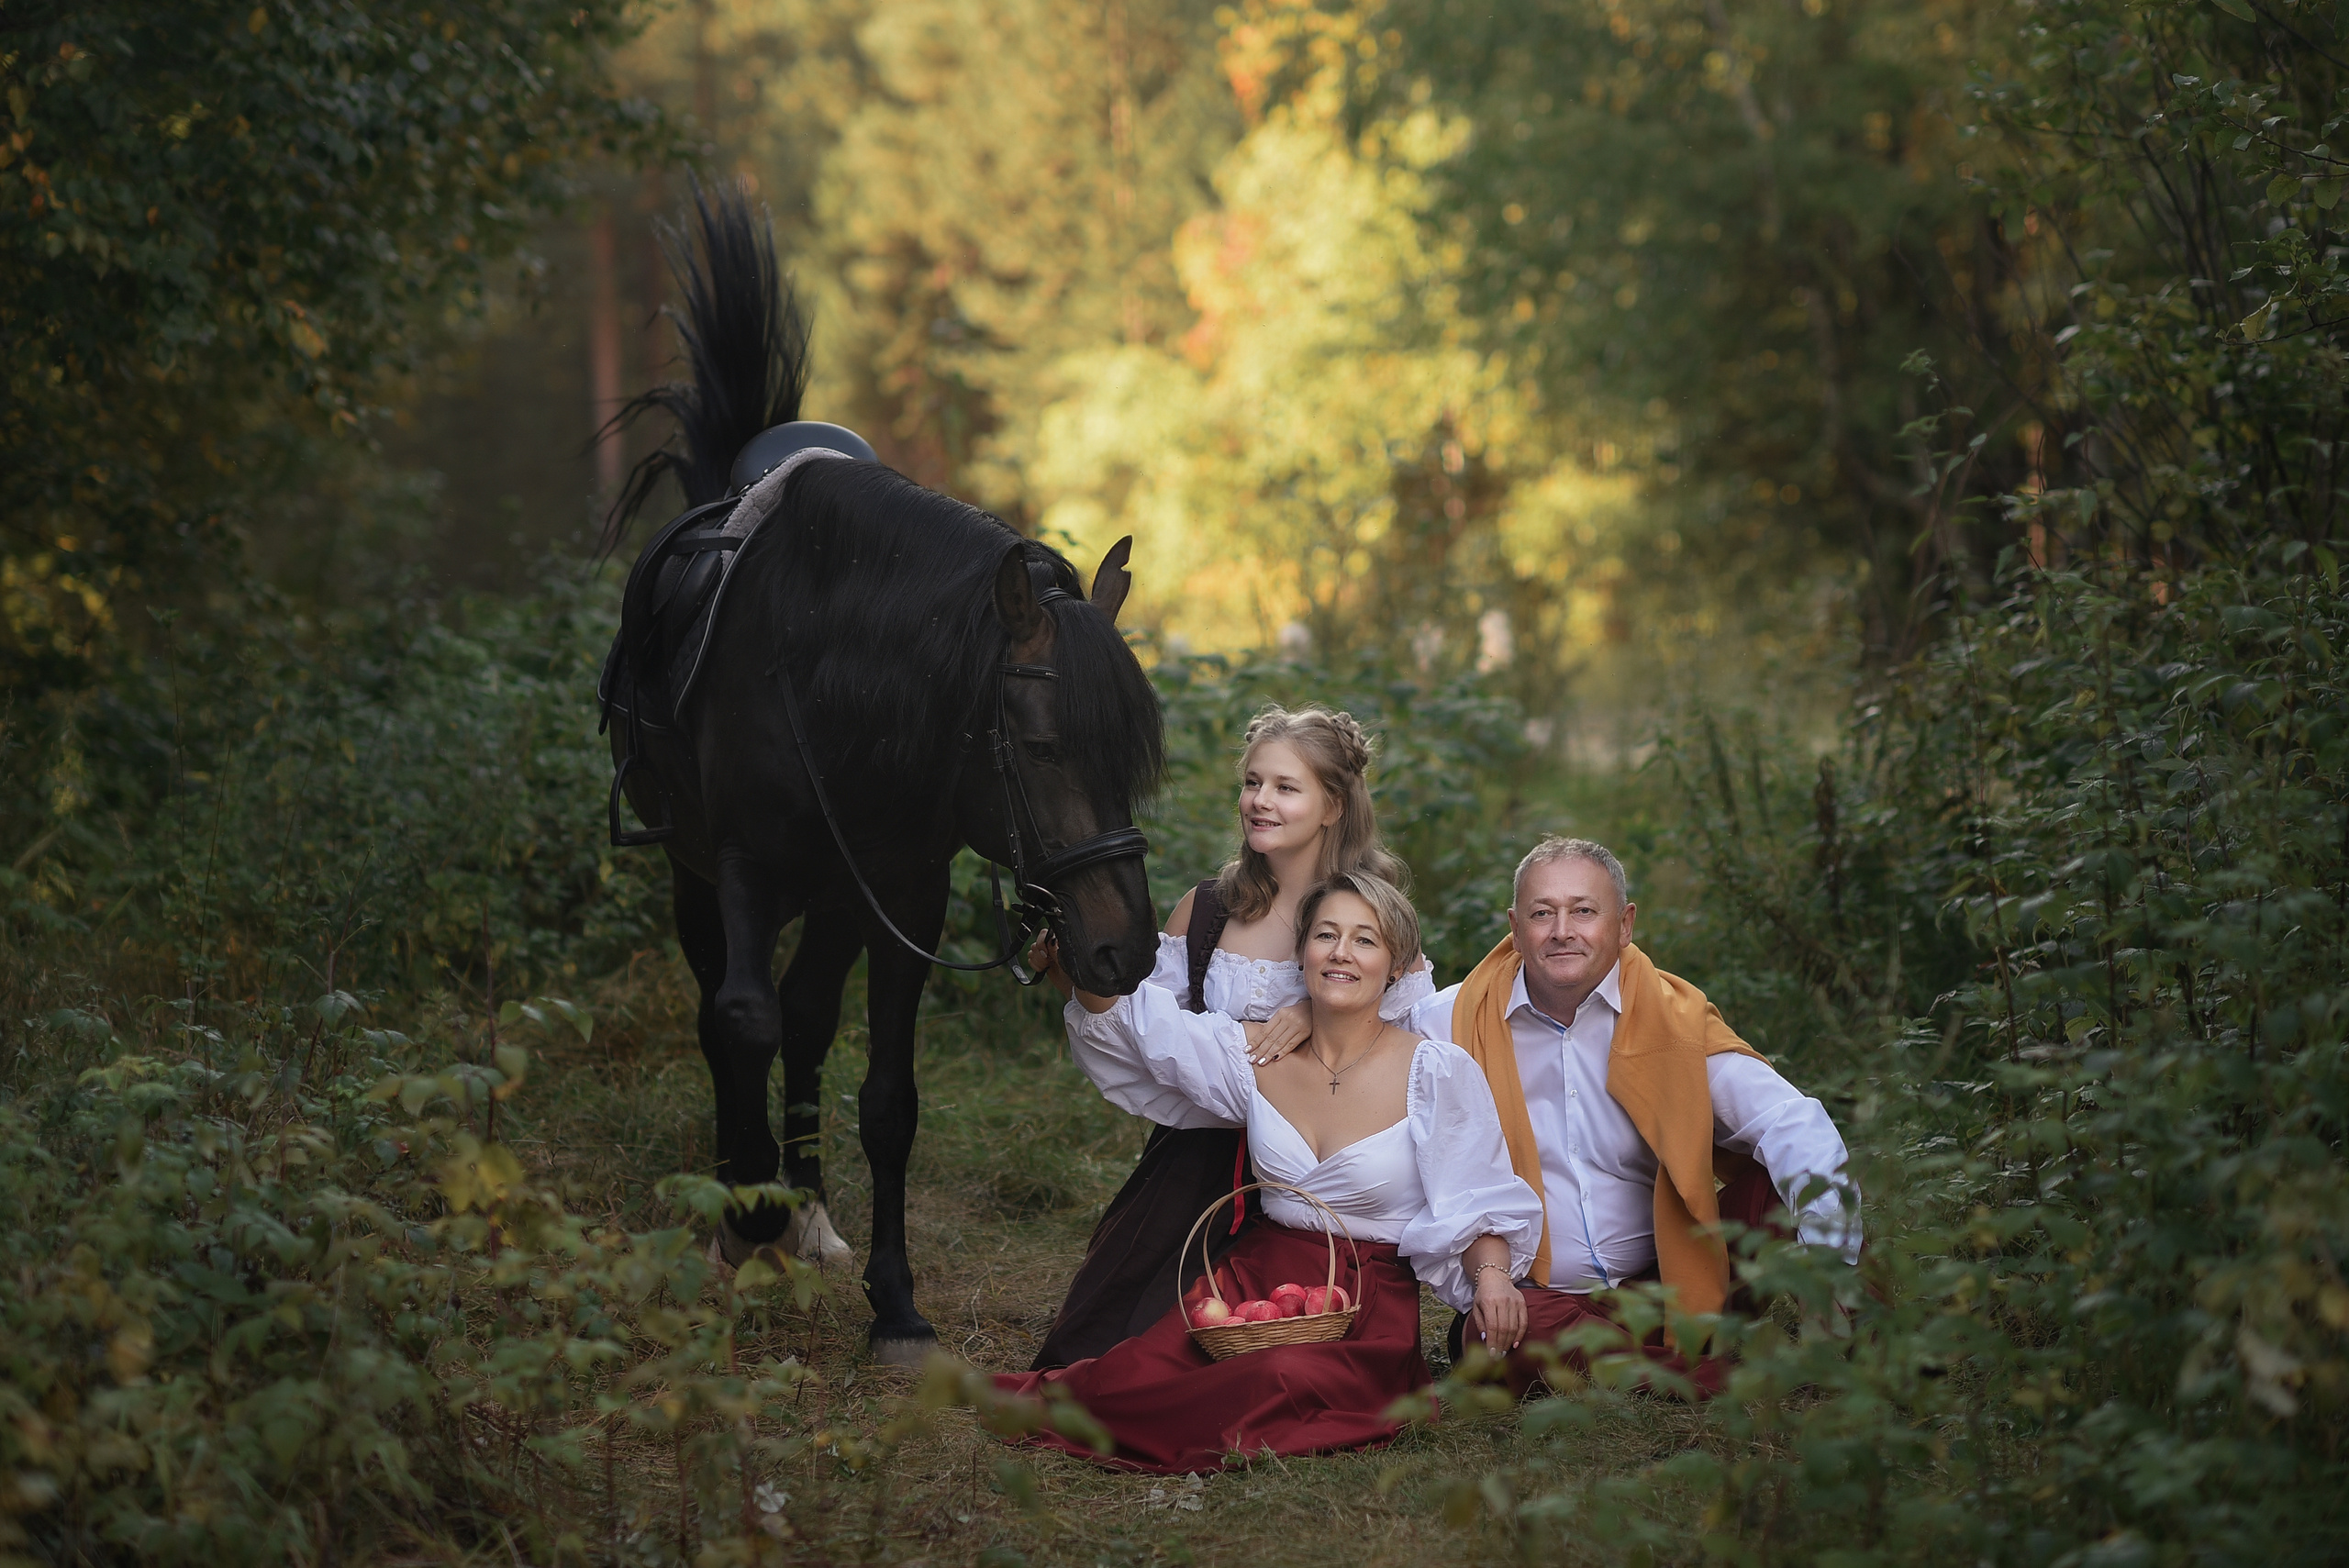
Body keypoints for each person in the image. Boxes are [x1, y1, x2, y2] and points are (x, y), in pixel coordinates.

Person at [1000, 873, 1543, 1473]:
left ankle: (1158, 1420)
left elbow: (1477, 1189)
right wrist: (1073, 966)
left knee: (1279, 1375)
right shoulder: (1256, 1054)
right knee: (1136, 1367)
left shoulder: (1433, 1070)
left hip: (1363, 1304)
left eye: (1365, 940)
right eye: (1326, 935)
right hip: (1253, 1278)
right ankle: (1073, 1406)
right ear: (1303, 952)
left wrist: (1493, 1277)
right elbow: (1152, 1035)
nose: (1341, 952)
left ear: (1394, 966)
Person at [1029, 705, 1433, 1370]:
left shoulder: (1368, 917)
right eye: (1252, 782)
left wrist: (1317, 1011)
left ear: (1333, 804)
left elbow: (1408, 1056)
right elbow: (1145, 1032)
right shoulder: (1211, 906)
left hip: (1317, 1178)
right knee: (1111, 1343)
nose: (1259, 801)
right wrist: (1072, 975)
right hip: (1196, 1164)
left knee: (1272, 1353)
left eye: (1284, 786)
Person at [1408, 836, 1861, 1397]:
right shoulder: (1448, 1023)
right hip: (1544, 1299)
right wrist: (1304, 1018)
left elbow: (1792, 1121)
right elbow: (1360, 1042)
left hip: (1670, 1285)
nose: (1562, 930)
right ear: (1515, 925)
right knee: (1497, 1335)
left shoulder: (1673, 1020)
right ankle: (1726, 1379)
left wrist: (1829, 1255)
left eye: (1584, 911)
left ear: (1624, 925)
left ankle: (1858, 1333)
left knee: (1784, 1185)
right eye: (1542, 913)